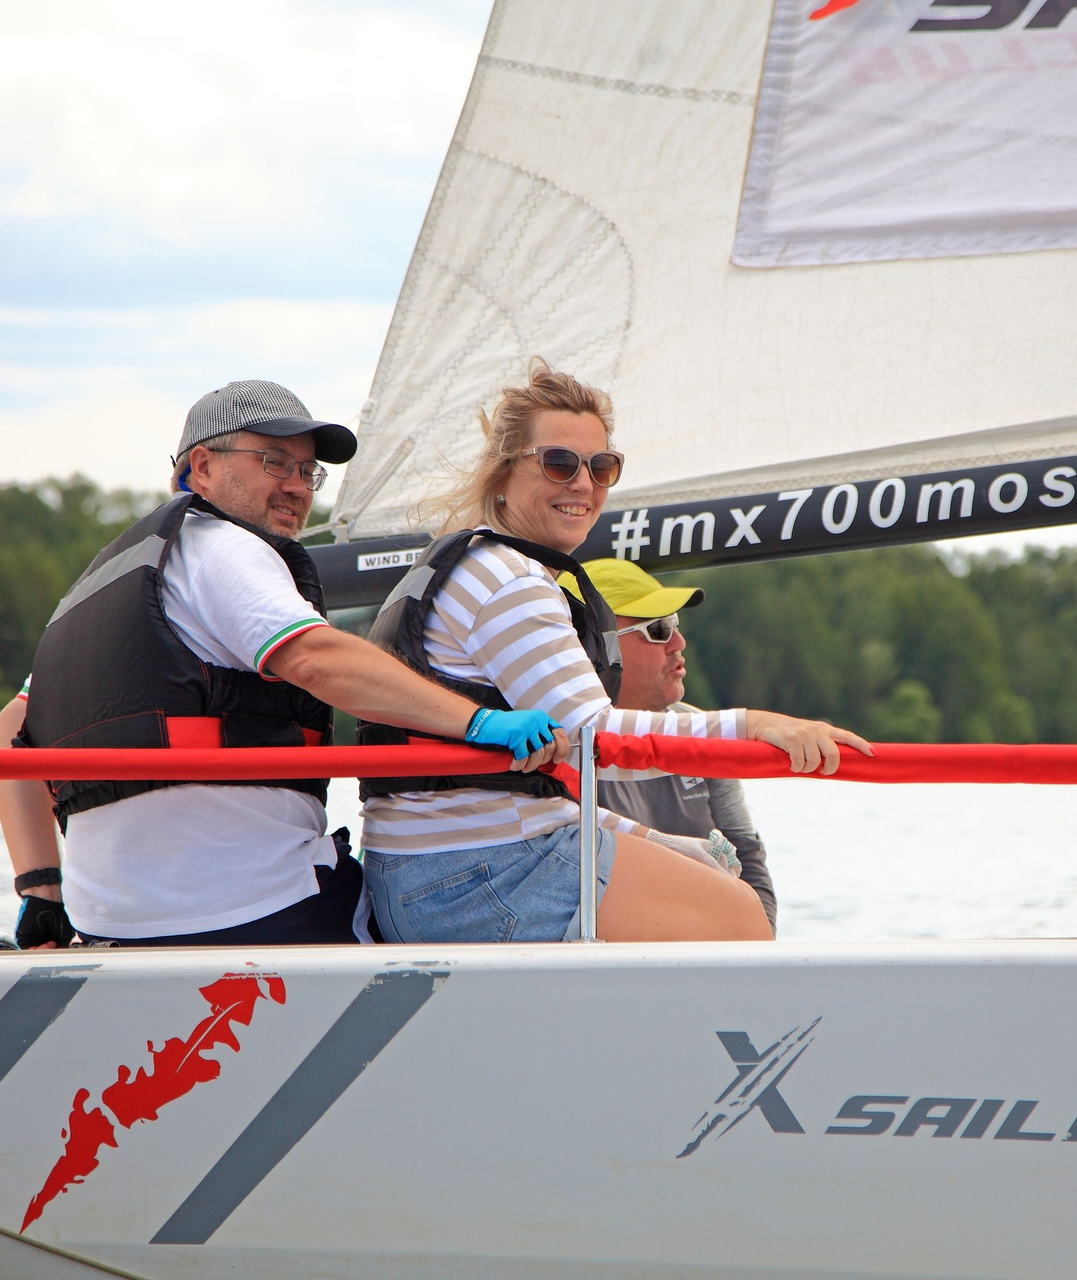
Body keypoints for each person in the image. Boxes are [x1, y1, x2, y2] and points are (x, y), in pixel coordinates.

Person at [0, 380, 567, 949]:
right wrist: (478, 723)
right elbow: (314, 658)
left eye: (308, 472)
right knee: (459, 902)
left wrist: (42, 894)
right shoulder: (222, 545)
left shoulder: (100, 586)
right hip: (253, 904)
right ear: (202, 466)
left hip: (110, 921)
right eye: (274, 462)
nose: (297, 487)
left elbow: (9, 728)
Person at [358, 359, 871, 944]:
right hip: (475, 877)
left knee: (710, 885)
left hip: (434, 872)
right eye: (559, 463)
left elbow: (544, 782)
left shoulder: (480, 566)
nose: (583, 484)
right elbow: (596, 741)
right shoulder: (510, 581)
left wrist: (658, 840)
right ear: (504, 472)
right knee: (741, 917)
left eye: (602, 467)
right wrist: (755, 725)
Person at [564, 558, 779, 934]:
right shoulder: (552, 743)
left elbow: (747, 856)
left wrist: (752, 952)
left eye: (675, 625)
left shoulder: (700, 730)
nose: (679, 644)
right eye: (659, 630)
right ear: (594, 647)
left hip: (699, 953)